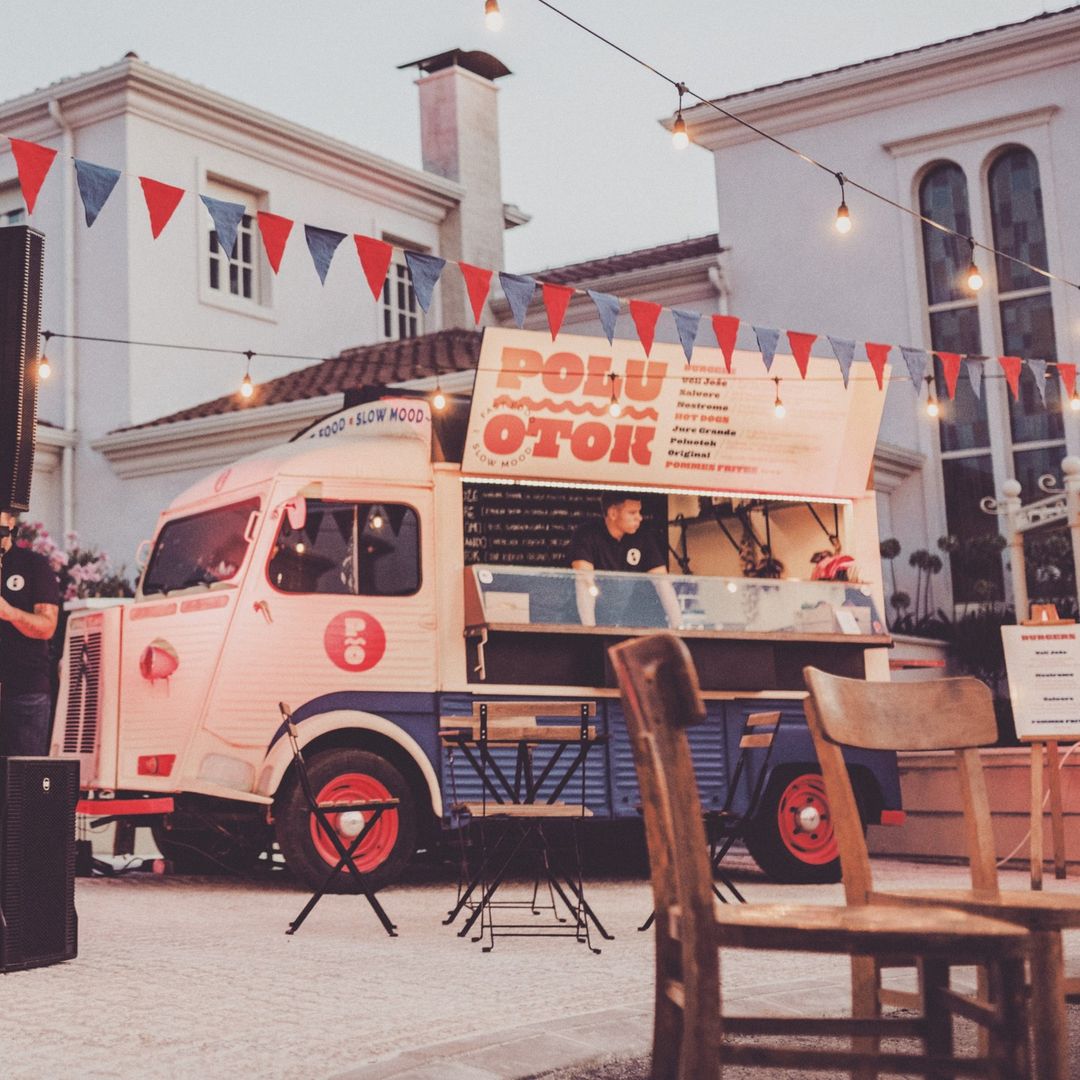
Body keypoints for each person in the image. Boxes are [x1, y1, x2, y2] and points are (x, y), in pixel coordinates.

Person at [569, 492, 681, 628]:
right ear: (613, 513)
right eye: (632, 513)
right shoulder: (586, 534)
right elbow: (584, 583)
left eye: (639, 512)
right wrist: (590, 632)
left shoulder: (643, 537)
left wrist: (679, 628)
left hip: (620, 620)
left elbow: (663, 584)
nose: (639, 518)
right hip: (578, 621)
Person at [0, 510, 61, 757]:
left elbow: (47, 626)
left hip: (25, 690)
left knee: (23, 781)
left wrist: (10, 613)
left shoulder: (32, 565)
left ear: (11, 522)